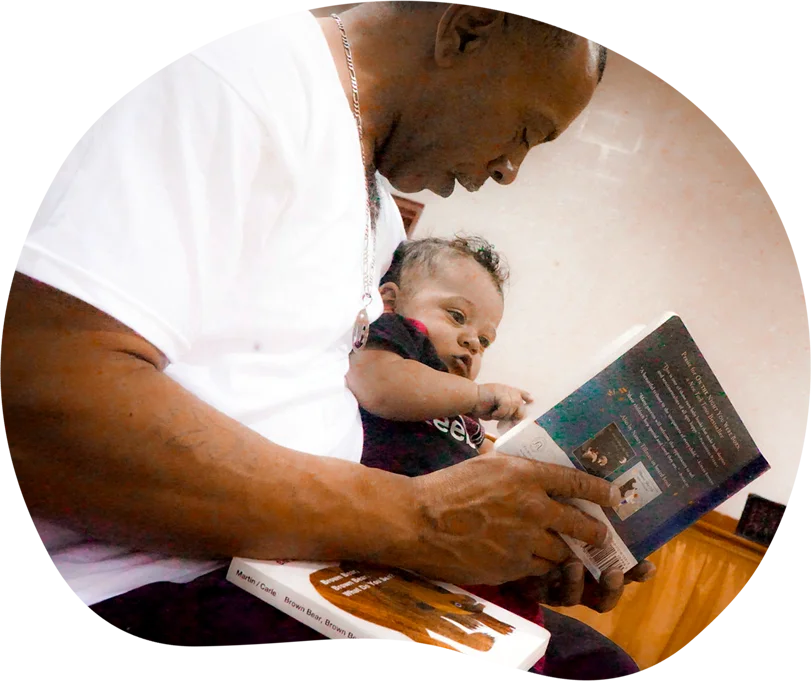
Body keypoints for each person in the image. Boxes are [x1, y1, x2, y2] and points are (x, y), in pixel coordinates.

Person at [3, 2, 652, 673]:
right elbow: (39, 410)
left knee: (594, 667)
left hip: (300, 563)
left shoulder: (376, 211)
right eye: (525, 131)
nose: (509, 169)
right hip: (151, 582)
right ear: (464, 29)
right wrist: (415, 520)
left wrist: (515, 544)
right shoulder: (234, 81)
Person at [351, 235, 643, 677]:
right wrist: (479, 397)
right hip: (391, 550)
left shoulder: (462, 414)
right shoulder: (399, 340)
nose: (472, 343)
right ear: (390, 301)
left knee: (608, 665)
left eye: (485, 341)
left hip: (467, 563)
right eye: (456, 316)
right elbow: (377, 383)